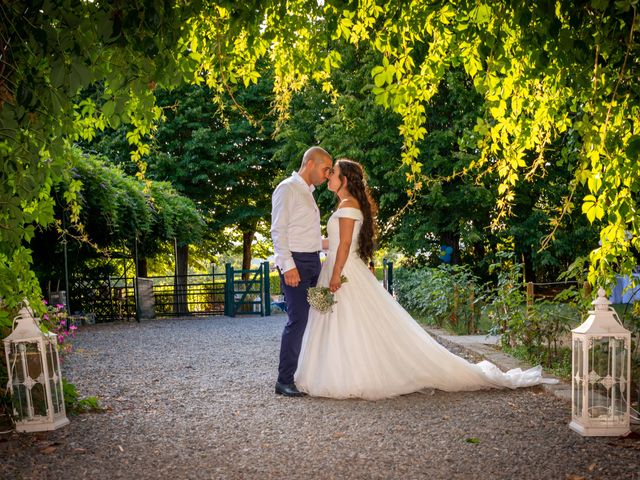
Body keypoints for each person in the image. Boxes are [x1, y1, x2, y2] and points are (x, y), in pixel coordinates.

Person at [295, 159, 557, 400]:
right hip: (338, 268)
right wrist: (309, 243)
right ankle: (341, 370)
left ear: (346, 180)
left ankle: (351, 374)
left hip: (343, 271)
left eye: (334, 173)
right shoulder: (345, 205)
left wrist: (336, 276)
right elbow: (335, 242)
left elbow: (342, 247)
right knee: (341, 323)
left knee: (349, 323)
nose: (329, 176)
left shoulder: (349, 205)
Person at [270, 146, 333, 397]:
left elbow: (308, 235)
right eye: (325, 169)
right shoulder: (287, 188)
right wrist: (288, 266)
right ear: (310, 164)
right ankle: (283, 380)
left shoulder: (308, 192)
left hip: (313, 262)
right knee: (298, 320)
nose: (328, 174)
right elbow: (278, 230)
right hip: (296, 263)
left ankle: (311, 373)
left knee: (320, 315)